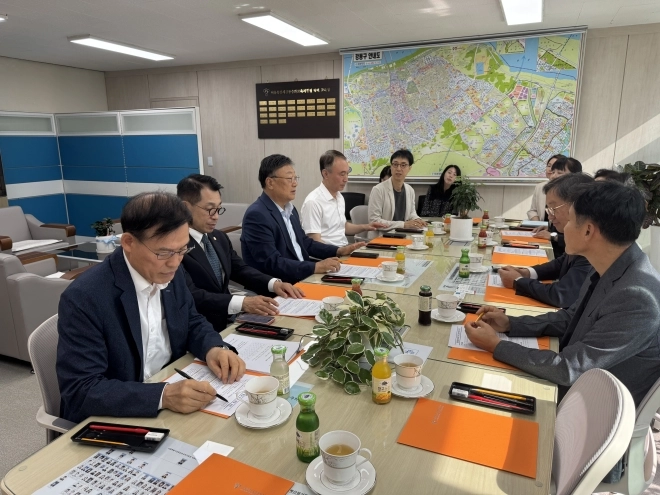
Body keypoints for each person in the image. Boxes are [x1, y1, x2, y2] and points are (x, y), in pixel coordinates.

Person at [465, 181, 660, 406]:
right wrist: (510, 323)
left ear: (588, 231)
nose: (562, 229)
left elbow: (569, 368)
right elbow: (570, 317)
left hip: (590, 406)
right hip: (574, 382)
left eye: (571, 221)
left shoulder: (638, 298)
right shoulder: (610, 263)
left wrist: (495, 345)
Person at [57, 192, 246, 424]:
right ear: (128, 242)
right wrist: (162, 396)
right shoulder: (85, 297)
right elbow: (81, 390)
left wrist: (214, 348)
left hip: (171, 388)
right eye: (164, 252)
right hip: (121, 414)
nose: (175, 262)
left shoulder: (171, 270)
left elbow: (191, 320)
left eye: (182, 250)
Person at [177, 174, 304, 332]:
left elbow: (240, 269)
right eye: (210, 209)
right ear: (186, 207)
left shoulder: (219, 237)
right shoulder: (176, 247)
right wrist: (241, 303)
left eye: (219, 209)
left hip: (228, 321)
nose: (216, 217)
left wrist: (274, 284)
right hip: (198, 328)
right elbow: (192, 294)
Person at [241, 154, 366, 284]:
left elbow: (305, 243)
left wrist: (338, 250)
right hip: (282, 285)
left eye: (295, 178)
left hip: (304, 275)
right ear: (270, 182)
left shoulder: (290, 209)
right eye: (289, 179)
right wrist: (315, 267)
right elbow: (272, 262)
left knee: (359, 281)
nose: (295, 183)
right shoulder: (257, 215)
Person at [497, 174, 594, 308]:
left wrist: (518, 281)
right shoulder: (578, 238)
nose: (550, 217)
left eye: (554, 209)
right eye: (548, 209)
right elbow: (561, 263)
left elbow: (562, 295)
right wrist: (526, 273)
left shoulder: (592, 245)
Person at [301, 150, 387, 246]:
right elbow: (315, 243)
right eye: (342, 174)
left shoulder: (339, 197)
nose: (346, 179)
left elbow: (342, 226)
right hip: (328, 254)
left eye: (347, 173)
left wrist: (366, 227)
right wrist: (340, 251)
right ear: (325, 174)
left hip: (343, 248)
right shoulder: (313, 202)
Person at [368, 149, 426, 229]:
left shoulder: (410, 190)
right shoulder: (378, 190)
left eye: (403, 165)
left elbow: (411, 213)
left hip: (403, 234)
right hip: (382, 234)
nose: (398, 169)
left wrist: (417, 220)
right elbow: (374, 221)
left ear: (409, 168)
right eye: (395, 164)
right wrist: (403, 225)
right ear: (391, 167)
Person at [527, 154, 565, 221]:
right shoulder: (540, 187)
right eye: (549, 166)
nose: (550, 169)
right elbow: (533, 211)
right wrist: (537, 224)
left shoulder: (568, 189)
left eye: (555, 166)